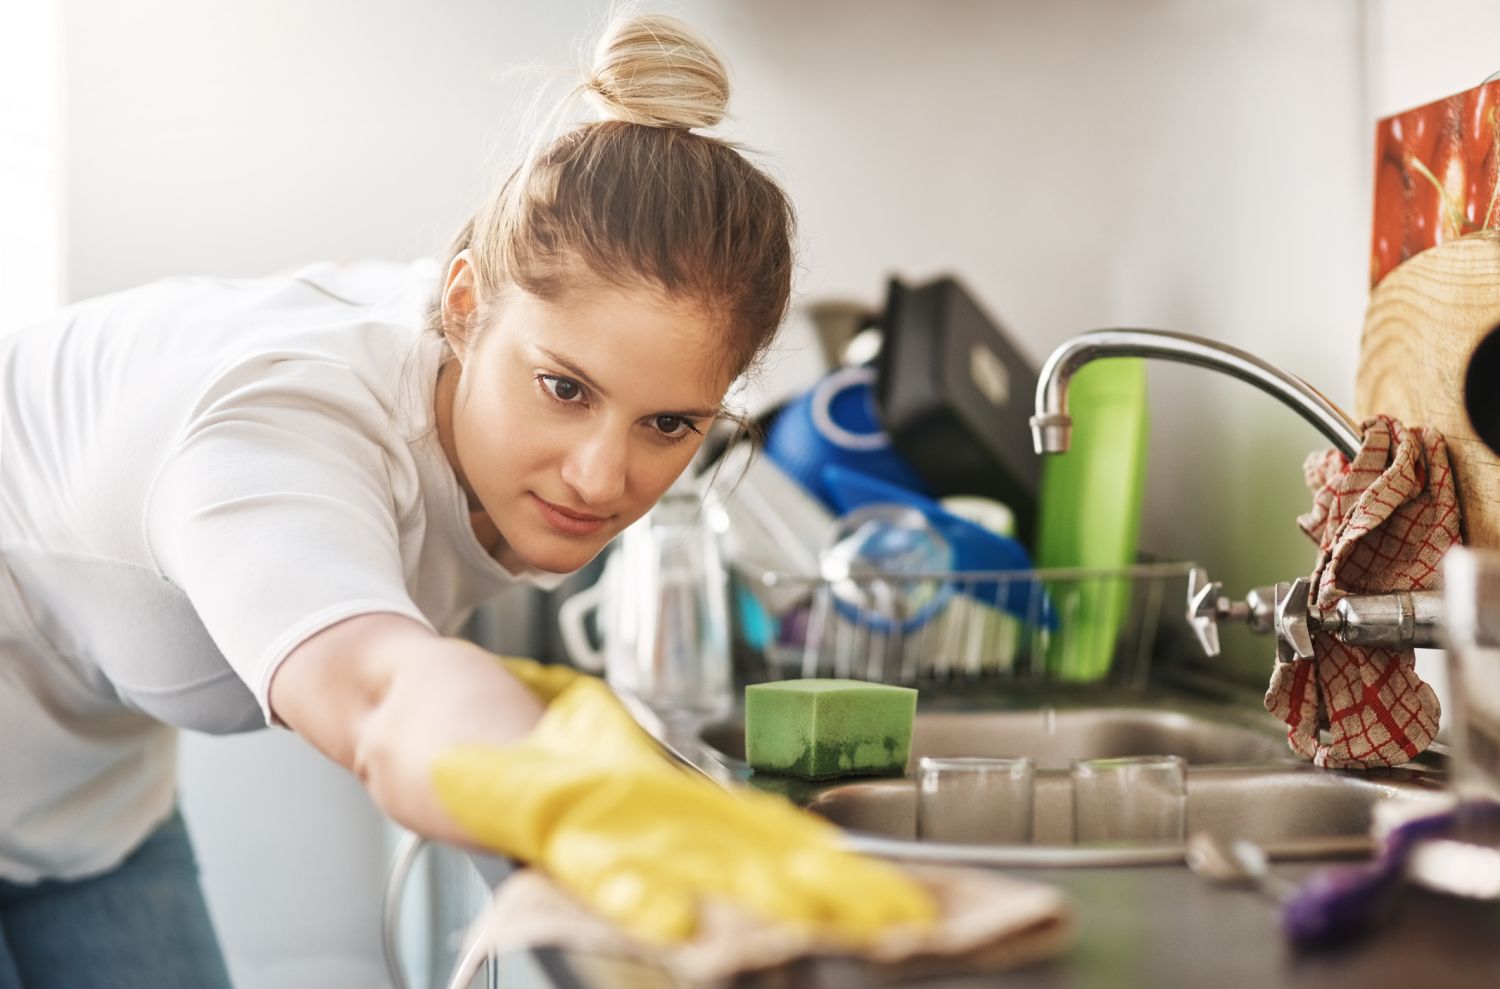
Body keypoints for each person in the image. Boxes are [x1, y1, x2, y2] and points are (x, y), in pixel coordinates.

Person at [0, 11, 934, 988]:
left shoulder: (501, 332)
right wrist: (577, 800)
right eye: (566, 389)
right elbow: (381, 688)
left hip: (82, 801)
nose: (600, 479)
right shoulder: (275, 431)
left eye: (669, 424)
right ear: (461, 306)